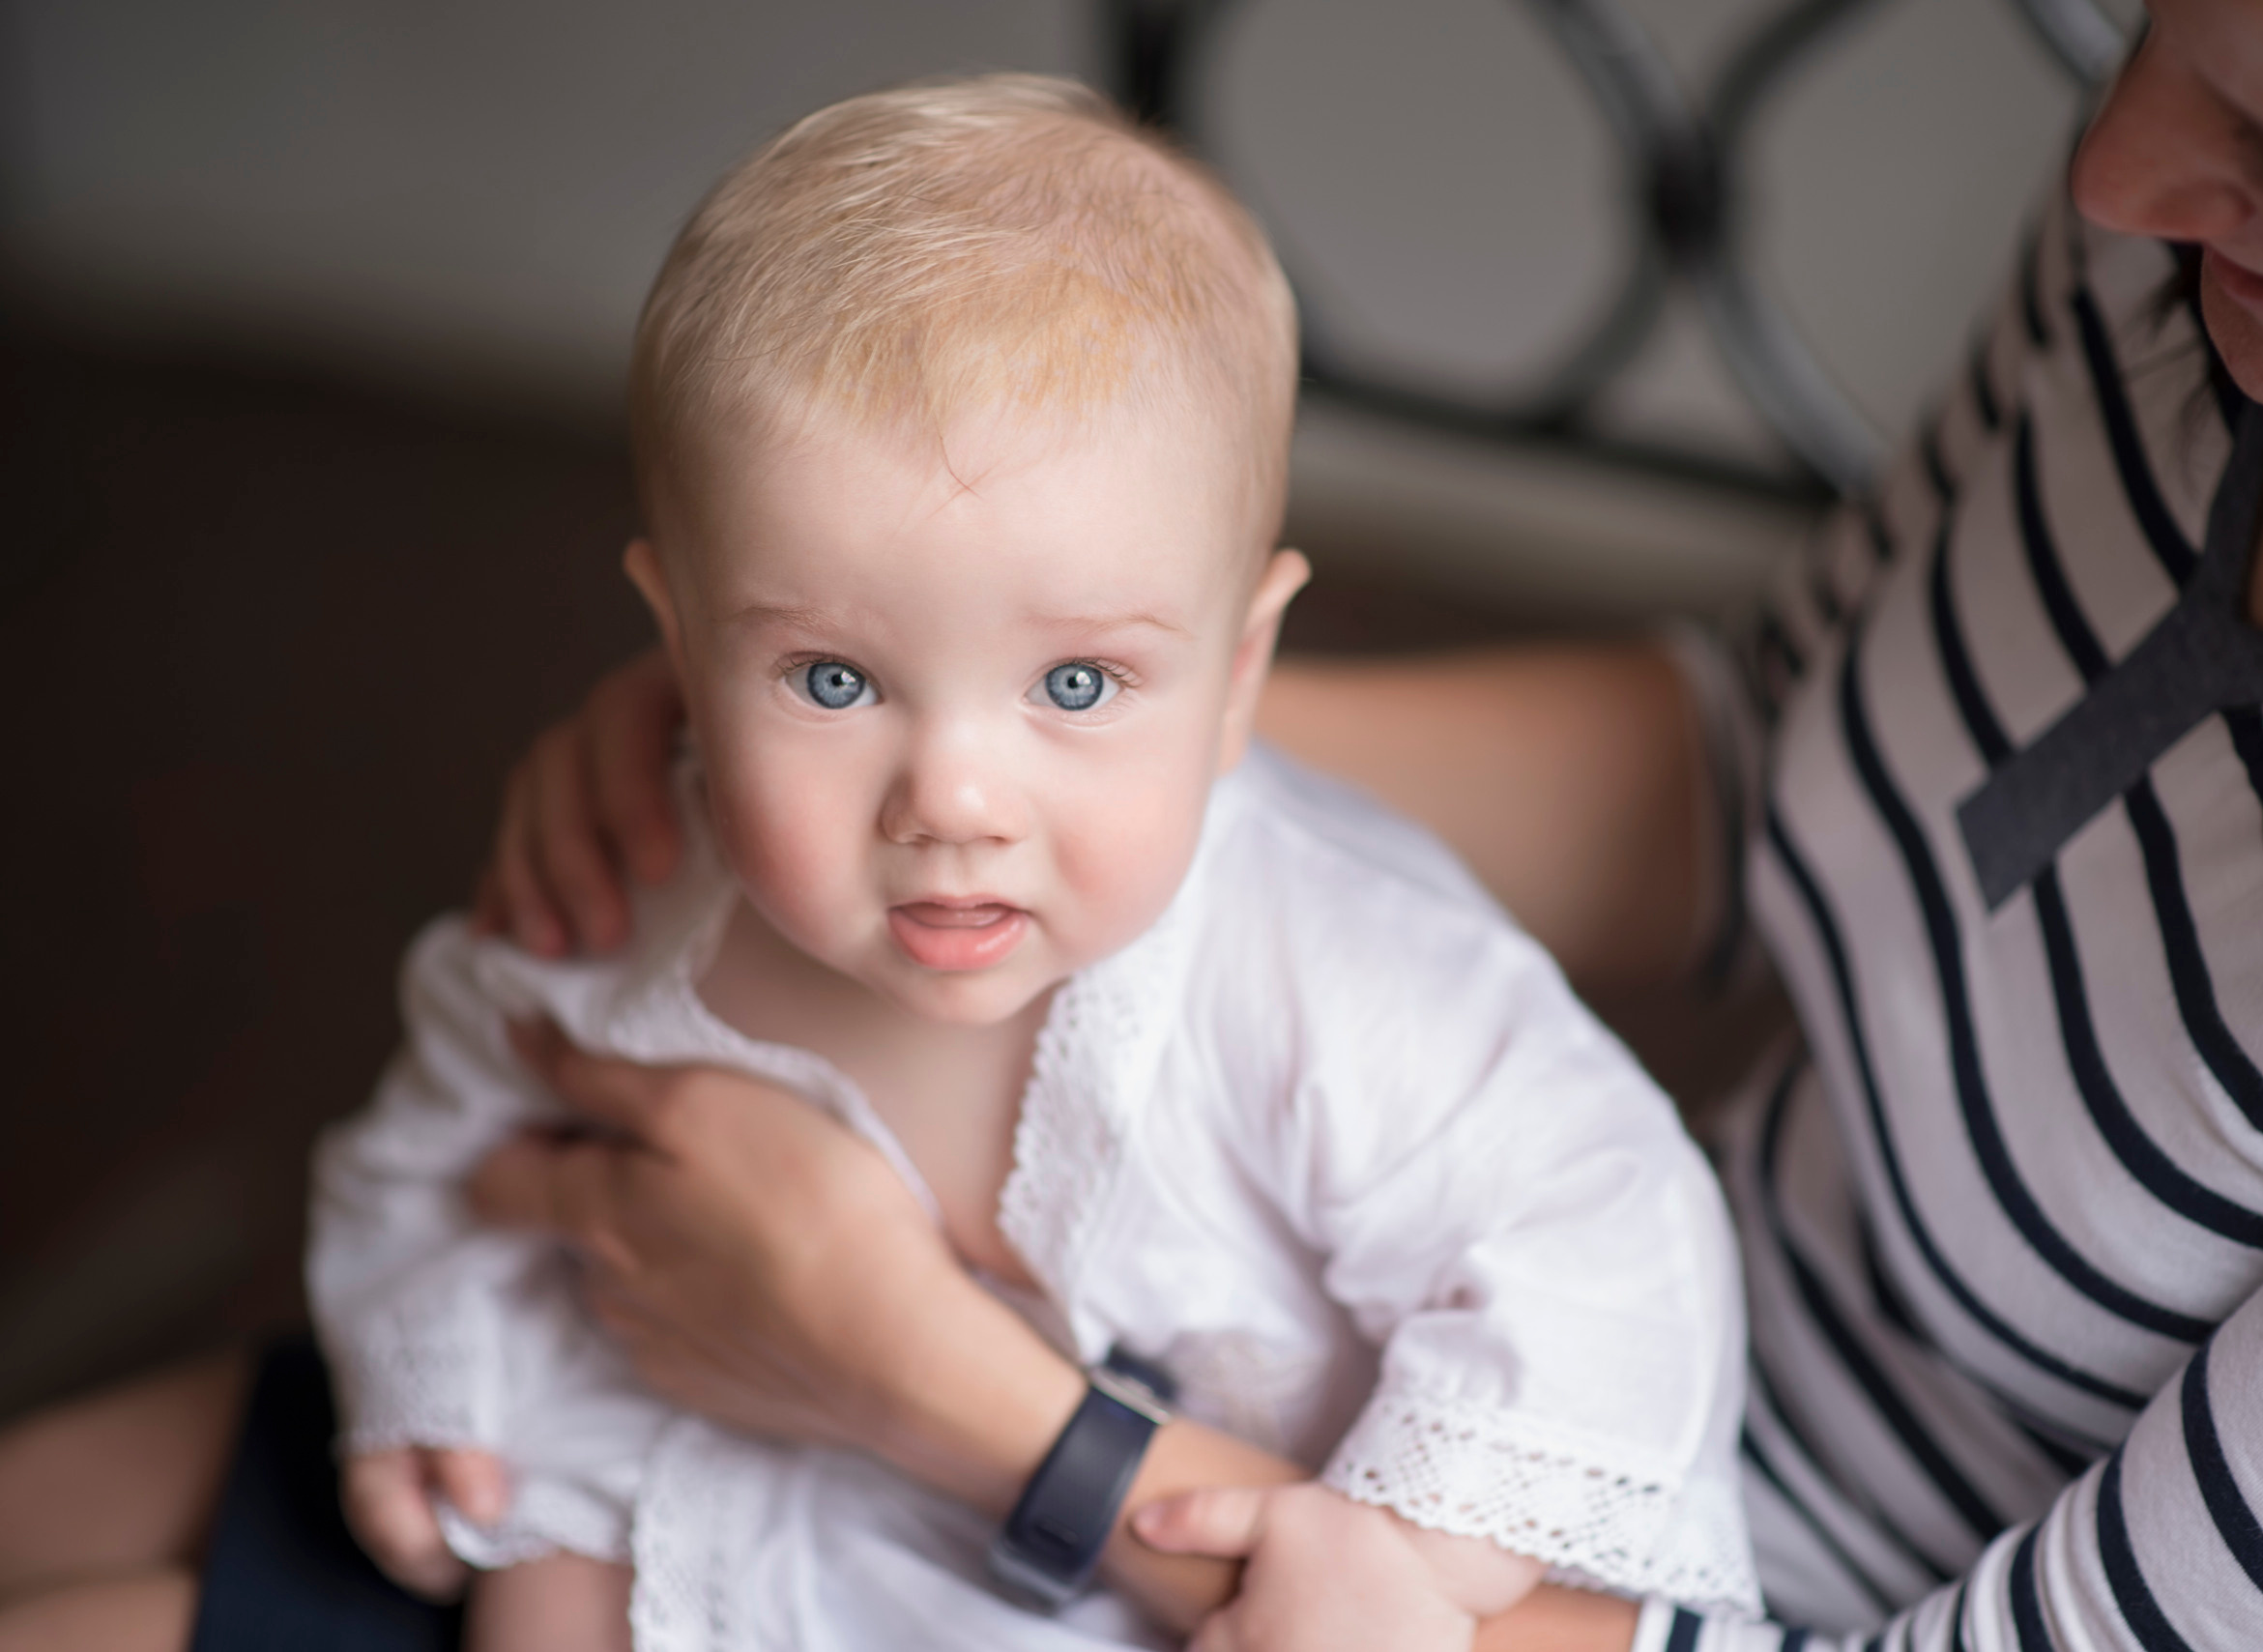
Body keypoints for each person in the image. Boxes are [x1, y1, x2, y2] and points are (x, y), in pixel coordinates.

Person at [0, 0, 2263, 1645]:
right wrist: (848, 696)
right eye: (2154, 26)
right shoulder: (2163, 266)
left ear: (1249, 647)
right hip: (673, 1448)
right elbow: (1785, 748)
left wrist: (946, 1392)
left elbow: (1557, 1303)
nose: (2127, 163)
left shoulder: (1387, 1049)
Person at [317, 72, 1754, 1652]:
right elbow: (441, 1140)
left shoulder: (1332, 972)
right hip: (750, 1531)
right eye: (833, 680)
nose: (952, 799)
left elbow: (1605, 1228)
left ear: (1241, 674)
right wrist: (433, 1369)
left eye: (1075, 685)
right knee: (531, 1572)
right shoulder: (632, 909)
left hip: (1140, 1595)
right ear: (679, 641)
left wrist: (1413, 1543)